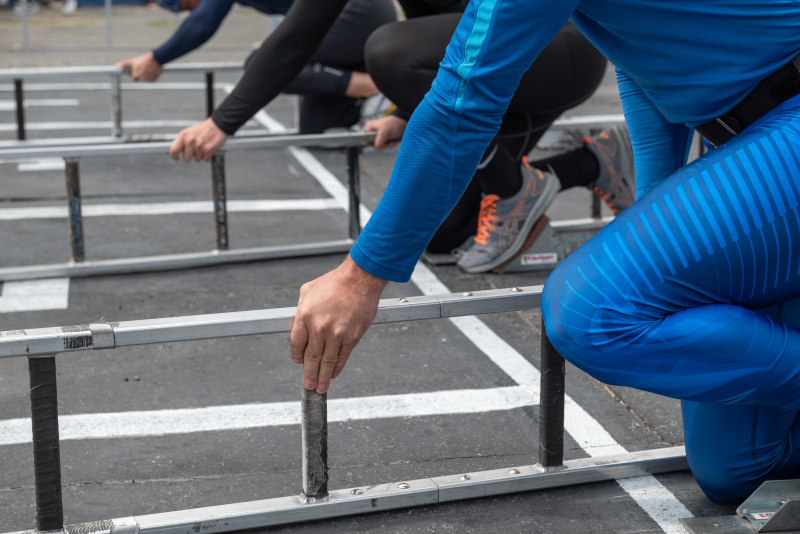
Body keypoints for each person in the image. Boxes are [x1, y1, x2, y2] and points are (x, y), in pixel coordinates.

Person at [288, 0, 800, 505]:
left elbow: (461, 100)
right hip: (750, 134)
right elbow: (641, 56)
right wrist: (657, 211)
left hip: (784, 124)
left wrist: (361, 276)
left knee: (594, 312)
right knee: (739, 467)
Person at [363, 13, 634, 272]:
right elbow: (433, 38)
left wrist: (364, 267)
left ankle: (512, 189)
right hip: (492, 60)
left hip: (556, 45)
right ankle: (593, 163)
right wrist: (408, 107)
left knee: (386, 52)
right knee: (444, 231)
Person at [119, 0, 396, 134]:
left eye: (182, 5)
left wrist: (157, 58)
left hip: (357, 12)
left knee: (262, 65)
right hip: (342, 26)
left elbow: (203, 24)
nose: (187, 11)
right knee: (317, 135)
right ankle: (371, 101)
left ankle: (372, 86)